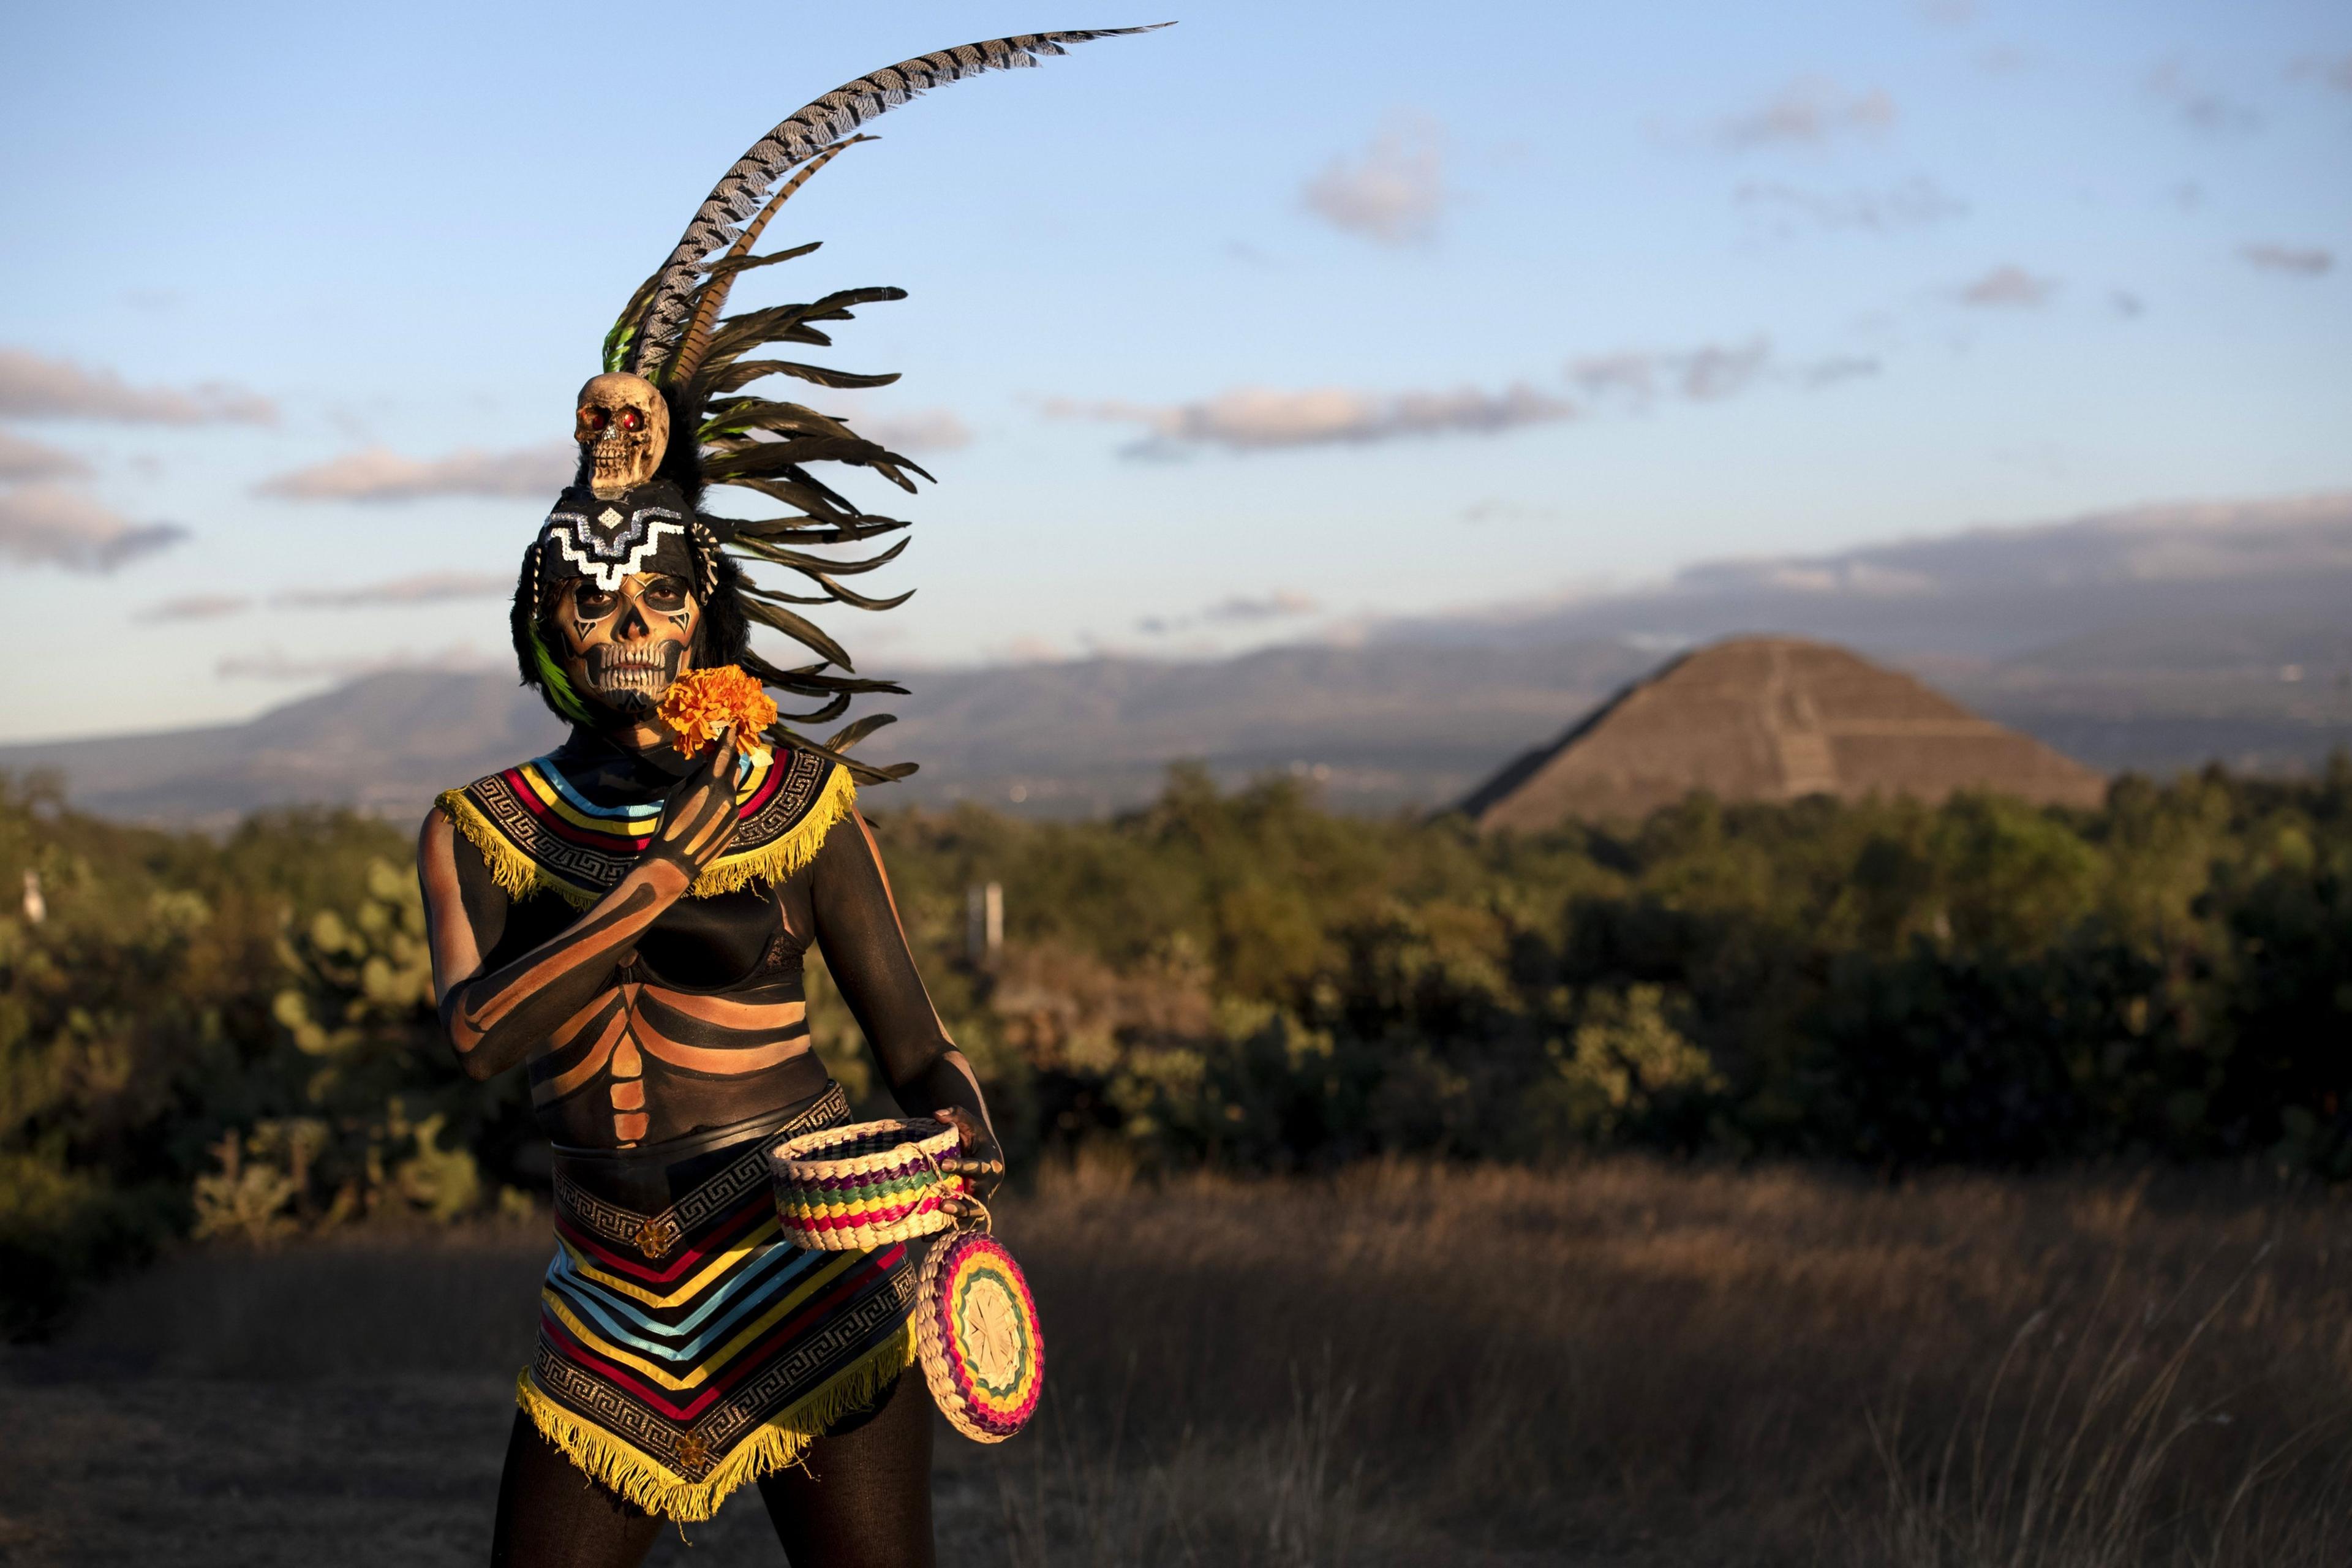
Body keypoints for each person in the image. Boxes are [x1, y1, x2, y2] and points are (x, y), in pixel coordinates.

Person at [411, 27, 1161, 1565]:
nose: (624, 624)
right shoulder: (481, 824)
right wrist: (645, 894)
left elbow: (917, 1043)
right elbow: (476, 1036)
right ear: (543, 626)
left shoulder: (796, 802)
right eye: (590, 601)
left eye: (654, 599)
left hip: (802, 1275)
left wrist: (959, 1154)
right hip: (607, 1295)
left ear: (706, 616)